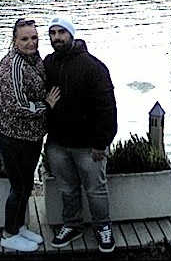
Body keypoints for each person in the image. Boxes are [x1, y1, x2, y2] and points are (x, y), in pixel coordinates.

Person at [43, 15, 118, 254]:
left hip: (88, 146)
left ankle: (103, 227)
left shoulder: (93, 67)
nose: (57, 38)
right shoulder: (48, 64)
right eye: (52, 33)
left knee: (96, 189)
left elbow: (107, 108)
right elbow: (39, 95)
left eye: (61, 33)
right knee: (66, 189)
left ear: (71, 35)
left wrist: (101, 143)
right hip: (58, 144)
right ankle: (71, 225)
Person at [0, 17, 54, 253]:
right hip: (10, 135)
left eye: (34, 37)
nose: (31, 43)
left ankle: (19, 225)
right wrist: (46, 105)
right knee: (19, 186)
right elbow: (18, 105)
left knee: (26, 184)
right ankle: (8, 234)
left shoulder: (34, 59)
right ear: (14, 41)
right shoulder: (13, 66)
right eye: (25, 39)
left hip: (30, 135)